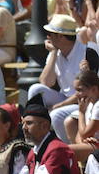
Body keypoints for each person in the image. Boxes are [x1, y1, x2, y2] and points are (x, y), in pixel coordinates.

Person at [27, 14, 96, 142]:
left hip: (82, 101)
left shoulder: (86, 53)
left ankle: (66, 149)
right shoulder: (56, 52)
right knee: (35, 89)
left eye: (51, 34)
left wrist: (59, 106)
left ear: (60, 36)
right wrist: (53, 53)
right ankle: (35, 132)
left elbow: (85, 92)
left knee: (56, 115)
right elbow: (46, 82)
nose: (47, 37)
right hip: (64, 98)